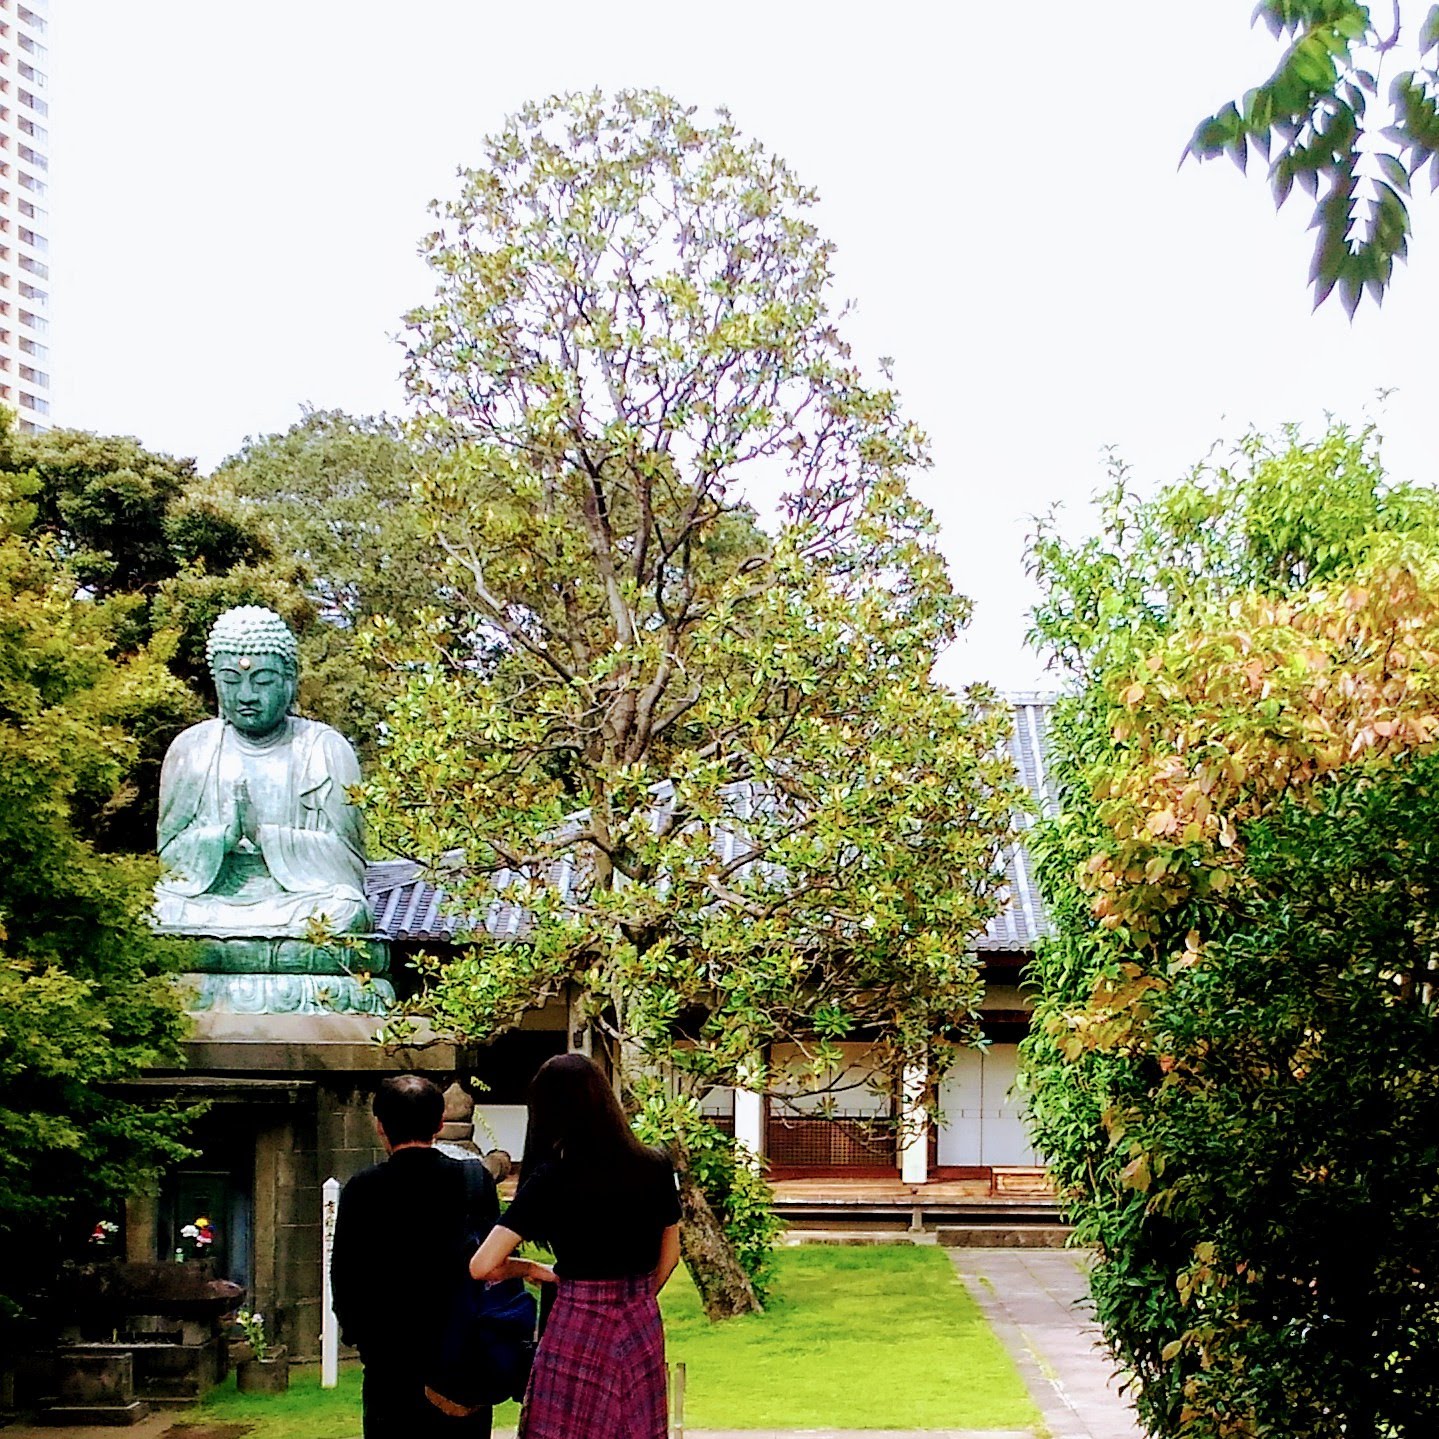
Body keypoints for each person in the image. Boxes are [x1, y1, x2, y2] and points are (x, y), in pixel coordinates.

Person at [469, 1053, 682, 1439]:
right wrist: (636, 1299)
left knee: (566, 1429)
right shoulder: (655, 1164)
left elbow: (482, 1265)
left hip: (578, 1321)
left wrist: (530, 1269)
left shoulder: (551, 1179)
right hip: (640, 1321)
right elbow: (671, 1254)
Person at [331, 1074, 500, 1438]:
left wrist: (363, 1341)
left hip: (390, 1366)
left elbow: (344, 1279)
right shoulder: (475, 1181)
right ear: (440, 1123)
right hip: (461, 1365)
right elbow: (493, 1268)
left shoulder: (363, 1189)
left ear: (379, 1125)